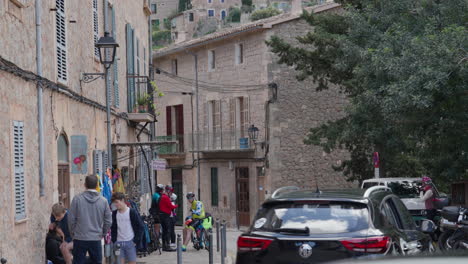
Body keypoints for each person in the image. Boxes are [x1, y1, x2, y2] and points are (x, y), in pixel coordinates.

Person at [68, 175, 112, 264]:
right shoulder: (103, 201)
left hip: (80, 237)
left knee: (78, 262)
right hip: (96, 237)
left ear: (85, 185)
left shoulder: (77, 199)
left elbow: (71, 219)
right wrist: (102, 233)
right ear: (97, 185)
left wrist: (73, 233)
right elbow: (108, 221)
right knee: (96, 262)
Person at [110, 192, 144, 264]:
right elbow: (113, 228)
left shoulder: (132, 212)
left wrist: (135, 241)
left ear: (122, 200)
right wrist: (114, 240)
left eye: (117, 202)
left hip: (130, 242)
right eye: (114, 203)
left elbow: (140, 227)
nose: (116, 204)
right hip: (118, 243)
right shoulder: (114, 213)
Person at [159, 187, 178, 251]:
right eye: (171, 192)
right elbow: (170, 206)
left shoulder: (162, 197)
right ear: (168, 192)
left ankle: (165, 245)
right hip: (165, 216)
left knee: (165, 231)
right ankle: (167, 246)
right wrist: (177, 206)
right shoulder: (165, 197)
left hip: (162, 215)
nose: (171, 194)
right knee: (167, 231)